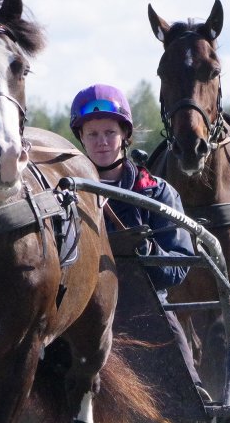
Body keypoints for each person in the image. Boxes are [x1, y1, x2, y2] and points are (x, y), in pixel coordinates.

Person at [69, 83, 196, 289]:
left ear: (125, 134)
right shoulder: (68, 196)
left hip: (147, 305)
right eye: (92, 134)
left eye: (110, 132)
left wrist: (147, 250)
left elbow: (179, 268)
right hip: (86, 307)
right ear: (81, 137)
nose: (102, 141)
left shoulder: (157, 192)